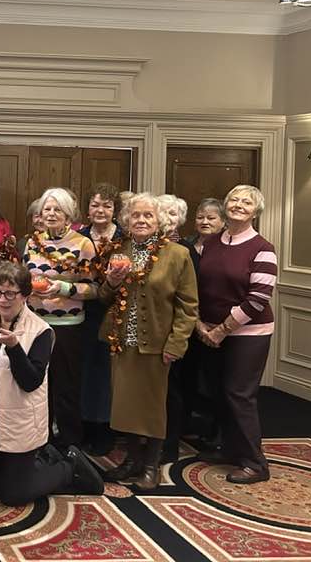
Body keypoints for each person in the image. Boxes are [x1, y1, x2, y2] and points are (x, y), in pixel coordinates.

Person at [0, 262, 103, 506]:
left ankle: (68, 466)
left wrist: (14, 347)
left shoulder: (41, 331)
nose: (3, 300)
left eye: (10, 294)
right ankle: (39, 461)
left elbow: (30, 382)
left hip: (19, 423)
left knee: (14, 495)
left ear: (25, 295)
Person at [98, 193, 198, 489]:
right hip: (122, 342)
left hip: (156, 344)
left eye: (148, 216)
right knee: (125, 405)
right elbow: (104, 297)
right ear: (127, 220)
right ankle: (131, 460)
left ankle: (151, 465)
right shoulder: (119, 250)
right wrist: (112, 282)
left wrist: (176, 344)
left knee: (153, 407)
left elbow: (188, 306)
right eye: (136, 215)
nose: (141, 220)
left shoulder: (178, 254)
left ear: (160, 221)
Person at [196, 185, 277, 484]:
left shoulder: (262, 248)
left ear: (255, 211)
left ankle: (255, 463)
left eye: (247, 202)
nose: (238, 205)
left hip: (249, 333)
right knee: (218, 393)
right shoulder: (211, 243)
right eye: (234, 200)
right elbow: (198, 287)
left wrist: (221, 330)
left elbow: (257, 300)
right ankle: (230, 449)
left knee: (239, 395)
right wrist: (200, 324)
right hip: (209, 329)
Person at [23, 187, 98, 448]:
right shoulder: (32, 242)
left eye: (58, 209)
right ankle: (39, 442)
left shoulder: (83, 244)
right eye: (47, 209)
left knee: (66, 388)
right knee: (38, 387)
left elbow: (94, 288)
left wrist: (64, 288)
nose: (51, 214)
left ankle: (69, 446)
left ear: (68, 216)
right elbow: (24, 279)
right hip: (37, 325)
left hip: (68, 326)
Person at [171, 197, 226, 454]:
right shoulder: (189, 244)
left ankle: (218, 431)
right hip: (190, 320)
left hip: (217, 323)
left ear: (223, 221)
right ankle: (185, 426)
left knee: (217, 380)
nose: (204, 221)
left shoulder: (226, 247)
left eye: (211, 217)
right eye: (200, 217)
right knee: (187, 378)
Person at [79, 183, 123, 456]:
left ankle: (107, 429)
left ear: (115, 210)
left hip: (116, 312)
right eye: (95, 204)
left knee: (109, 373)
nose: (100, 210)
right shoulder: (79, 237)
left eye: (107, 205)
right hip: (84, 311)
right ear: (87, 209)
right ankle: (86, 426)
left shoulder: (125, 239)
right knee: (86, 371)